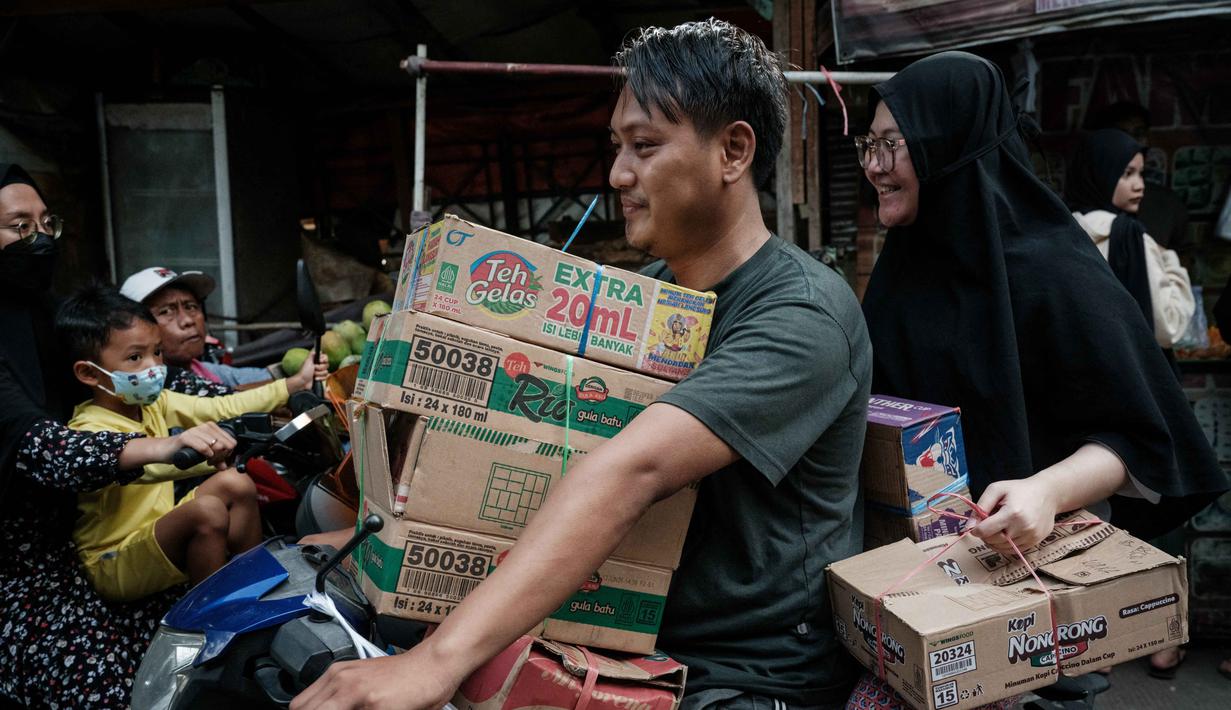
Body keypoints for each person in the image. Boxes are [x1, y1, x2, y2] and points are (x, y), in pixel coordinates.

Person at [291, 19, 871, 710]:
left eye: (645, 147)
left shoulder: (800, 315)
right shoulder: (655, 294)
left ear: (733, 151)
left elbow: (628, 469)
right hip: (614, 631)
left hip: (735, 674)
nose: (618, 174)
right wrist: (390, 539)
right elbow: (540, 445)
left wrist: (435, 663)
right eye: (617, 147)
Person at [856, 51, 1228, 704]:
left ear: (949, 145)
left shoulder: (1054, 270)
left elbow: (1142, 436)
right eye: (869, 144)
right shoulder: (900, 272)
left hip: (1031, 613)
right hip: (915, 596)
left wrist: (1045, 491)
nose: (873, 166)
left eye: (893, 144)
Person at [0, 163, 246, 707]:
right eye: (20, 227)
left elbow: (154, 388)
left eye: (46, 224)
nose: (38, 240)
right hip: (22, 573)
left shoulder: (53, 315)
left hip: (88, 534)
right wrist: (162, 447)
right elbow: (41, 447)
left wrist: (248, 416)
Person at [57, 285, 323, 601]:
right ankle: (211, 617)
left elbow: (221, 407)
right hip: (113, 560)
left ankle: (254, 588)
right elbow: (147, 470)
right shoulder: (88, 432)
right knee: (206, 510)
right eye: (135, 357)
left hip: (155, 531)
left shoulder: (154, 402)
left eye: (156, 352)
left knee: (235, 481)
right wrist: (201, 455)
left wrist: (292, 385)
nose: (153, 367)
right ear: (89, 373)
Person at [1066, 128, 1194, 350]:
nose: (1140, 185)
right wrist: (1171, 262)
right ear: (1101, 173)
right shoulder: (1130, 237)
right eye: (1127, 173)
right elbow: (1168, 328)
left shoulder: (1061, 231)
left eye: (1141, 173)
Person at [121, 266, 276, 388]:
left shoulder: (205, 371)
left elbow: (271, 377)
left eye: (191, 307)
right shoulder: (145, 390)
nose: (188, 320)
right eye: (166, 311)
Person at [1090, 101, 1191, 259]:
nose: (1131, 142)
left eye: (1138, 133)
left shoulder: (1167, 204)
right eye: (1121, 134)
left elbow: (1183, 257)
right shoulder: (1083, 206)